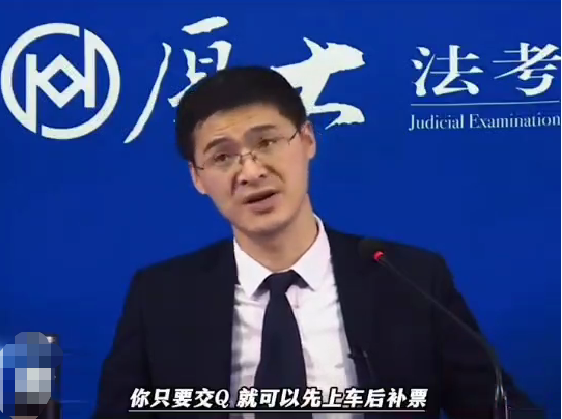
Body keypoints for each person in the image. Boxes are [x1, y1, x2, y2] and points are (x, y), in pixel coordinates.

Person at [93, 66, 539, 419]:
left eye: (267, 141)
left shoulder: (410, 279)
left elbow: (498, 408)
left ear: (307, 139)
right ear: (198, 178)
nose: (250, 171)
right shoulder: (161, 297)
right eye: (222, 156)